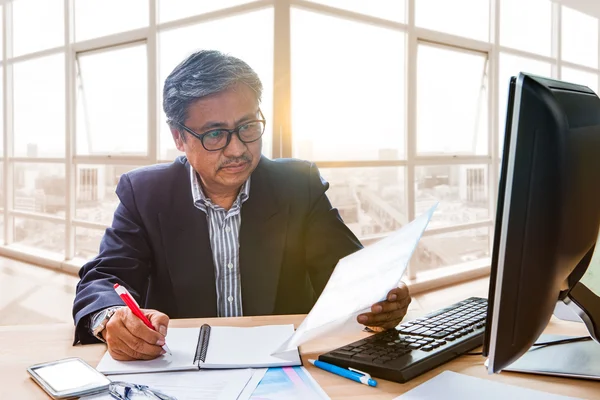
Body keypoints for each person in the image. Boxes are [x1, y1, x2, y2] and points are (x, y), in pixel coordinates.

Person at [72, 50, 411, 361]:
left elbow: (348, 274)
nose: (237, 149)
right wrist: (112, 318)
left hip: (283, 365)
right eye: (215, 134)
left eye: (247, 127)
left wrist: (380, 300)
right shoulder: (145, 193)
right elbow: (103, 278)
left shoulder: (297, 185)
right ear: (179, 137)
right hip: (182, 371)